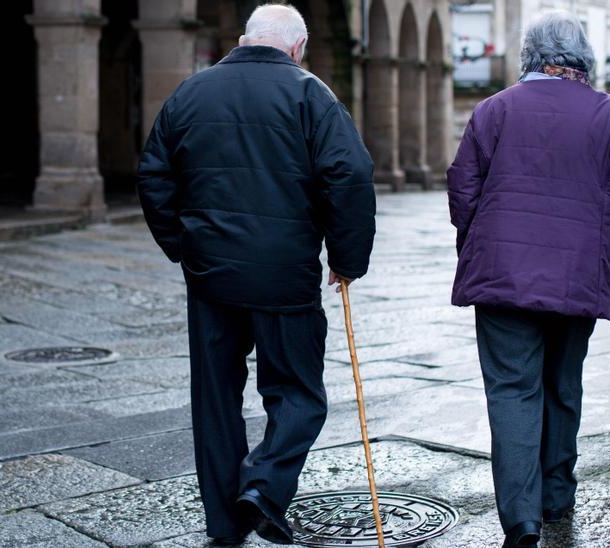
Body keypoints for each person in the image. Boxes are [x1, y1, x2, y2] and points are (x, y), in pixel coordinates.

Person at [137, 4, 376, 545]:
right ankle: (264, 486)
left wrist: (183, 247)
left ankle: (225, 524)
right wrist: (347, 258)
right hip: (284, 275)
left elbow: (153, 174)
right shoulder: (310, 93)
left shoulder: (190, 92)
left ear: (244, 39)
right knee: (297, 393)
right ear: (296, 48)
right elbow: (351, 174)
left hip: (211, 277)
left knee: (216, 399)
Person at [446, 11, 610, 547]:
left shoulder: (492, 111)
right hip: (576, 278)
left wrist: (479, 243)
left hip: (502, 278)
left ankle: (521, 518)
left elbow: (462, 190)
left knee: (511, 390)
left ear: (530, 56)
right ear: (584, 60)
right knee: (563, 385)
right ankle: (555, 496)